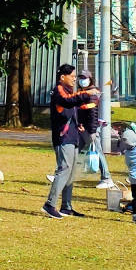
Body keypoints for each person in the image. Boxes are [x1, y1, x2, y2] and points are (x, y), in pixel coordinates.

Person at [43, 64, 98, 220]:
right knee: (64, 169)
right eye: (72, 76)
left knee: (71, 172)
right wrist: (87, 93)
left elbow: (73, 108)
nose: (75, 78)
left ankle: (66, 207)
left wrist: (80, 122)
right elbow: (67, 102)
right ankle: (49, 204)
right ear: (62, 77)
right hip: (63, 137)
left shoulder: (69, 92)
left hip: (73, 136)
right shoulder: (58, 90)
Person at [78, 72, 114, 190]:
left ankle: (107, 178)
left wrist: (92, 131)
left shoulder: (92, 93)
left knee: (97, 152)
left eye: (84, 78)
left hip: (89, 129)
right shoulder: (84, 92)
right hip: (84, 128)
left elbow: (92, 114)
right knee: (74, 150)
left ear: (90, 79)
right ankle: (62, 174)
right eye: (81, 78)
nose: (82, 80)